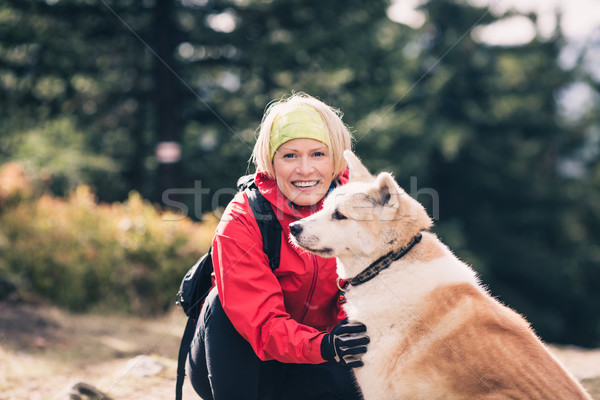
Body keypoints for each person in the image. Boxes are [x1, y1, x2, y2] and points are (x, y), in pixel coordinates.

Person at [186, 92, 369, 400]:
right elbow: (260, 322)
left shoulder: (360, 210)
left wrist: (339, 340)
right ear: (270, 161)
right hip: (242, 369)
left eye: (318, 154)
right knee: (220, 305)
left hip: (316, 363)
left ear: (337, 157)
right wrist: (323, 345)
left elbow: (363, 299)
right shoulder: (243, 218)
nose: (305, 169)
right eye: (290, 156)